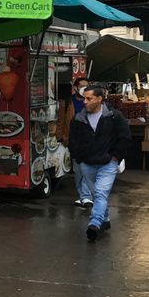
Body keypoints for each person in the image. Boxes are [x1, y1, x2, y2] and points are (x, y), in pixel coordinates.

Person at [68, 85, 131, 242]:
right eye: (84, 98)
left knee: (101, 192)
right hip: (87, 163)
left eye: (89, 98)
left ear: (99, 99)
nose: (85, 102)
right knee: (97, 194)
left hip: (107, 162)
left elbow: (125, 137)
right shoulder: (78, 119)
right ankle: (106, 220)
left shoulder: (115, 117)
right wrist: (79, 157)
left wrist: (116, 156)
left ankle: (95, 223)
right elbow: (73, 140)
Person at [56, 77, 93, 207]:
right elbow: (61, 118)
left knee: (87, 167)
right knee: (78, 169)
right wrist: (61, 136)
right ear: (75, 87)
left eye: (86, 86)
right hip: (74, 139)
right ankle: (83, 195)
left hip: (89, 138)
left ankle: (86, 196)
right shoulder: (68, 101)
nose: (84, 89)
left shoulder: (91, 101)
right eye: (82, 86)